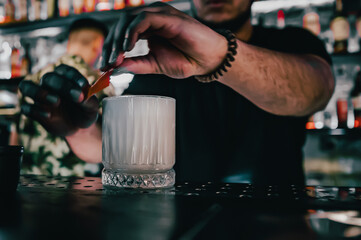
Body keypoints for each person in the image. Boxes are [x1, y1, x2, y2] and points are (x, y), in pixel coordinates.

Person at [19, 0, 334, 185]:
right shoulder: (162, 65)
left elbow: (316, 91)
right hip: (183, 223)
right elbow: (114, 148)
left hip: (278, 224)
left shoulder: (294, 42)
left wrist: (219, 55)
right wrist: (78, 129)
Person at [17, 18, 110, 176]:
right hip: (73, 190)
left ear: (69, 44)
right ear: (99, 45)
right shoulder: (96, 84)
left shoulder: (31, 80)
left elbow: (16, 135)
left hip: (29, 182)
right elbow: (107, 149)